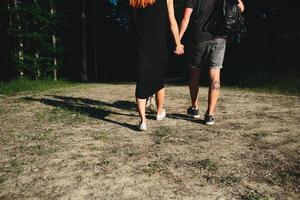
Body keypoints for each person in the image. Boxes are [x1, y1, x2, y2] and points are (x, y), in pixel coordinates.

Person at [179, 0, 244, 125]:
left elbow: (185, 18)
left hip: (199, 39)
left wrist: (178, 39)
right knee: (215, 75)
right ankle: (209, 115)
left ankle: (194, 107)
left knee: (194, 73)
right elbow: (241, 8)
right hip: (219, 39)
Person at [130, 0, 184, 131]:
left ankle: (143, 120)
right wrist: (178, 42)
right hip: (159, 44)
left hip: (142, 44)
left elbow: (134, 22)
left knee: (141, 79)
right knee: (159, 78)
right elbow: (172, 21)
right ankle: (159, 112)